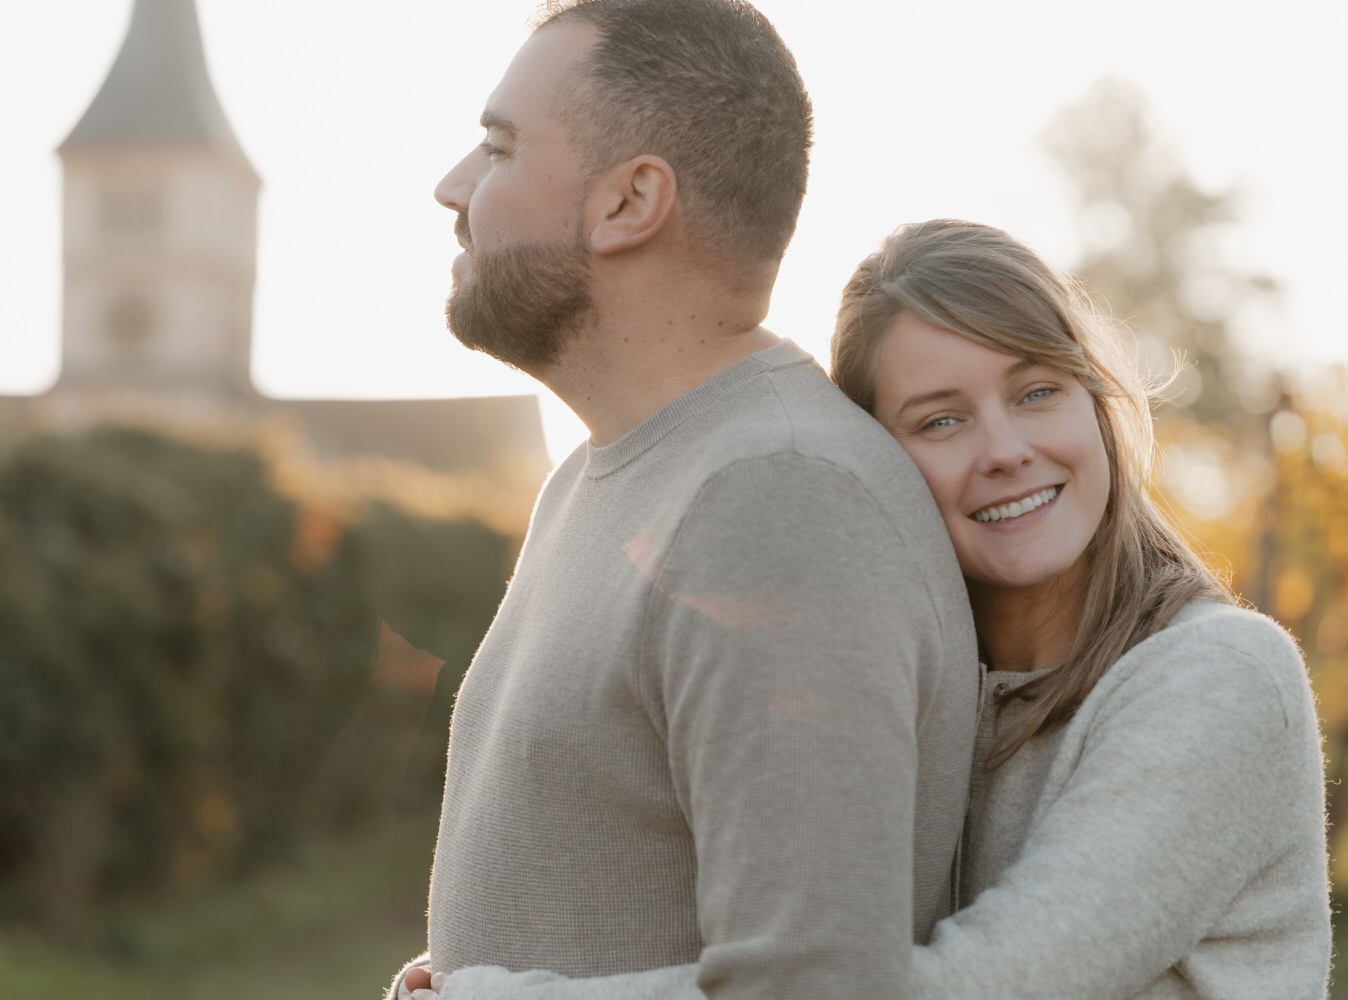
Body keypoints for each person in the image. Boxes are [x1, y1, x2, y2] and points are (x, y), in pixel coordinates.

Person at [407, 221, 1332, 999]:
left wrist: (504, 995)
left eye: (1037, 392)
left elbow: (940, 990)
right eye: (941, 419)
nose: (1005, 449)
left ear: (1096, 407)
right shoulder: (925, 686)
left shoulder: (1220, 680)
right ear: (877, 469)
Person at [389, 3, 980, 999]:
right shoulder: (600, 476)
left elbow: (814, 986)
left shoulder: (785, 499)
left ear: (630, 202)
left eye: (498, 147)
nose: (452, 187)